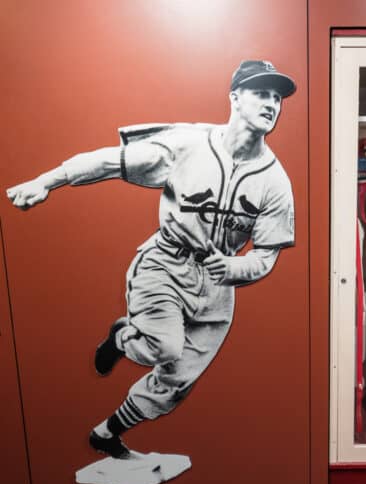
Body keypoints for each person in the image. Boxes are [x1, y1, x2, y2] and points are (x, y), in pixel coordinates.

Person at [6, 60, 296, 459]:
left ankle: (107, 433)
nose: (271, 103)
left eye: (277, 97)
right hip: (167, 262)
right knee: (164, 347)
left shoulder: (276, 181)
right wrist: (46, 182)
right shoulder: (187, 145)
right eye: (261, 93)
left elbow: (266, 255)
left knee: (177, 380)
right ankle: (123, 337)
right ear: (235, 98)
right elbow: (111, 161)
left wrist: (234, 268)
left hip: (218, 286)